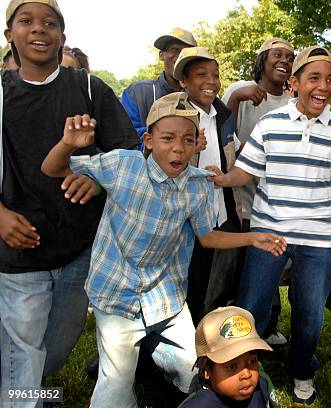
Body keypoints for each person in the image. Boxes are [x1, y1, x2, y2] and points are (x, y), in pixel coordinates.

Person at [40, 92, 286, 407]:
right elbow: (51, 168)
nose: (177, 148)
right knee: (114, 389)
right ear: (149, 140)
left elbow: (207, 237)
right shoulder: (123, 165)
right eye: (167, 138)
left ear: (198, 143)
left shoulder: (198, 184)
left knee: (196, 369)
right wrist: (68, 144)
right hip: (117, 297)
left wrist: (252, 238)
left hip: (165, 299)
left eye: (187, 140)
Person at [209, 46, 331, 406]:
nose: (323, 87)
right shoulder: (269, 124)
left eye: (330, 80)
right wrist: (220, 179)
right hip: (269, 233)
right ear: (294, 83)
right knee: (252, 307)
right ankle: (246, 369)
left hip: (317, 238)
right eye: (314, 78)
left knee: (311, 314)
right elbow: (244, 172)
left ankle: (301, 369)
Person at [0, 0, 140, 399]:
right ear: (10, 36)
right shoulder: (0, 94)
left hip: (81, 249)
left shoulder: (90, 89)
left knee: (56, 346)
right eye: (26, 21)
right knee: (23, 350)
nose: (39, 29)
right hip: (18, 252)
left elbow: (129, 156)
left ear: (63, 36)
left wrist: (97, 182)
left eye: (50, 23)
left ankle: (24, 391)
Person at [222, 37, 295, 345]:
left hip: (276, 200)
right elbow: (223, 132)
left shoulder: (292, 102)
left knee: (270, 259)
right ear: (263, 59)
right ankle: (231, 323)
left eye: (290, 57)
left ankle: (266, 323)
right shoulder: (240, 89)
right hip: (241, 195)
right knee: (240, 264)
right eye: (277, 55)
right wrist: (237, 98)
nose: (284, 61)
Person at [173, 46, 242, 323]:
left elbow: (233, 151)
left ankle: (203, 341)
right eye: (201, 75)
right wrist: (189, 150)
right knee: (183, 283)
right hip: (181, 219)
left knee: (210, 283)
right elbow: (155, 163)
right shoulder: (174, 112)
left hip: (216, 213)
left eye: (215, 74)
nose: (211, 81)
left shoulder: (222, 114)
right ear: (183, 82)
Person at [179, 306, 276, 407]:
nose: (247, 374)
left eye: (252, 361)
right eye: (232, 366)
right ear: (206, 370)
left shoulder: (262, 386)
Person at [121, 27, 197, 145]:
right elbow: (128, 136)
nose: (180, 56)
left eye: (186, 52)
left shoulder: (201, 96)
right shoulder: (137, 92)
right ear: (161, 55)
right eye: (175, 49)